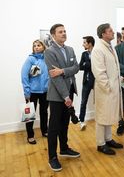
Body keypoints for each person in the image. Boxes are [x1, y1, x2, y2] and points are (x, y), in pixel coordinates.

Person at [44, 24, 80, 172]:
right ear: (53, 35)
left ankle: (64, 149)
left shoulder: (70, 49)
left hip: (70, 91)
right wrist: (66, 96)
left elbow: (77, 67)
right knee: (53, 127)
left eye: (65, 31)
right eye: (60, 32)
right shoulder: (49, 52)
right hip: (58, 95)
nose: (64, 34)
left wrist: (63, 70)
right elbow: (55, 77)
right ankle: (52, 157)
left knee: (65, 123)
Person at [91, 23, 124, 155]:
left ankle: (108, 139)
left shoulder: (110, 47)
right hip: (105, 90)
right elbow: (99, 72)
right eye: (110, 31)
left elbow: (114, 67)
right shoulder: (98, 49)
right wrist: (108, 88)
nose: (113, 32)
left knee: (109, 115)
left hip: (113, 88)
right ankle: (101, 143)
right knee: (102, 117)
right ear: (103, 34)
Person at [21, 39, 49, 144]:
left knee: (44, 112)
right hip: (32, 92)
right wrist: (26, 91)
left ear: (43, 47)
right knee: (29, 115)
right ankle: (30, 135)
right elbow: (24, 76)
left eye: (38, 45)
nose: (36, 47)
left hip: (45, 91)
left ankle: (45, 131)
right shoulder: (30, 59)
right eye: (34, 46)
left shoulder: (47, 59)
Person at [78, 36, 95, 131]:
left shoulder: (97, 52)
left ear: (90, 43)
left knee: (100, 101)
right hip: (87, 81)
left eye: (84, 42)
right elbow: (80, 66)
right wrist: (89, 64)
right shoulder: (84, 54)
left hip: (97, 82)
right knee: (83, 102)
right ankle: (81, 121)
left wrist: (86, 64)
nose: (83, 44)